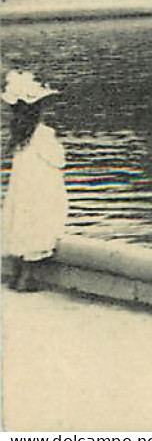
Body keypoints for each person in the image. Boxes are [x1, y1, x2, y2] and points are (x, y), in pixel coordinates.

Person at [2, 71, 68, 292]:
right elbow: (58, 160)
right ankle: (25, 279)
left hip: (22, 189)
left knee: (20, 223)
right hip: (39, 188)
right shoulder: (43, 134)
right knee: (35, 226)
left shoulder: (20, 134)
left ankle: (16, 276)